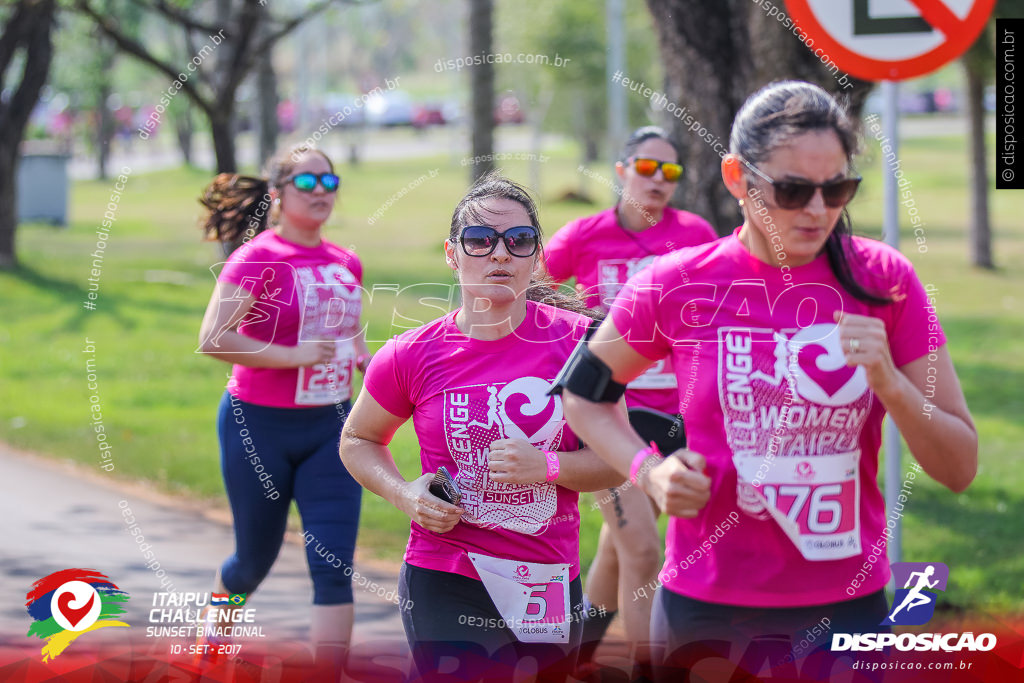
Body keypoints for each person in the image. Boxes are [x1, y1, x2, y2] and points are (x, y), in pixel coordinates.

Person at [558, 81, 978, 675]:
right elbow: (584, 395)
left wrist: (890, 381)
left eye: (837, 188)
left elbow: (959, 467)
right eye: (791, 189)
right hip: (707, 608)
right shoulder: (678, 281)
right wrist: (649, 473)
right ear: (737, 178)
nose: (817, 210)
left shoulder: (884, 280)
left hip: (846, 608)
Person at [339, 174, 625, 681]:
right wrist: (403, 493)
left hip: (545, 576)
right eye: (480, 240)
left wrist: (549, 465)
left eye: (518, 241)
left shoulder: (584, 345)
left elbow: (615, 460)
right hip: (445, 571)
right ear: (453, 253)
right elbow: (358, 440)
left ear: (536, 256)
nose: (499, 255)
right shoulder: (411, 354)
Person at [542, 126, 717, 663]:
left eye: (670, 171)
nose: (658, 180)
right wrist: (579, 328)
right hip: (609, 416)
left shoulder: (695, 232)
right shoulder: (583, 236)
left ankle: (572, 659)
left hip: (680, 416)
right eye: (646, 168)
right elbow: (531, 289)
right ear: (621, 172)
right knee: (642, 548)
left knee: (618, 551)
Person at [196, 144, 371, 666]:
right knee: (252, 563)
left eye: (329, 182)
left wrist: (364, 358)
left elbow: (348, 334)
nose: (321, 193)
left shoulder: (347, 262)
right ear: (277, 195)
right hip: (259, 428)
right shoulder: (256, 258)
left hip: (332, 427)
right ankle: (213, 645)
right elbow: (212, 338)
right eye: (307, 183)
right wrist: (290, 355)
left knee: (334, 565)